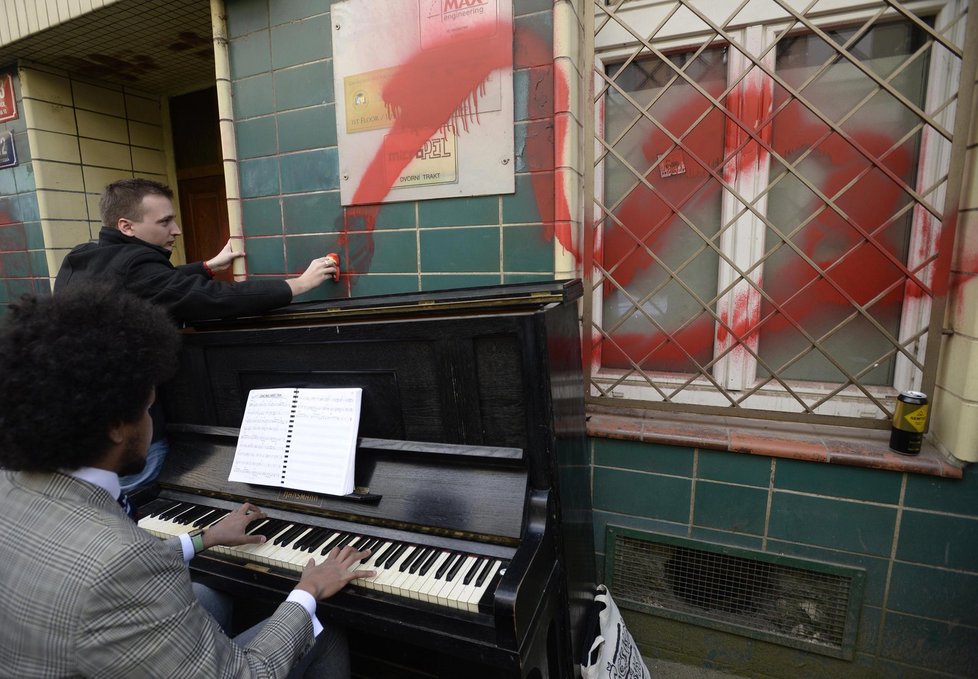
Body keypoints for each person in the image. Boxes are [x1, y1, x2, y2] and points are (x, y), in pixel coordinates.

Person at [0, 284, 374, 678]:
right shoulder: (120, 561)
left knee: (209, 594)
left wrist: (203, 538)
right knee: (322, 627)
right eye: (148, 407)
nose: (151, 419)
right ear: (115, 426)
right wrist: (309, 590)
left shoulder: (11, 482)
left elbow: (92, 566)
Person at [54, 178, 340, 492]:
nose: (175, 230)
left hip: (78, 425)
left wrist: (206, 266)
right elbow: (213, 298)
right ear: (126, 226)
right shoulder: (137, 267)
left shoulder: (84, 257)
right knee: (130, 514)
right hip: (123, 437)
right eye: (164, 222)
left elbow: (156, 282)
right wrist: (297, 285)